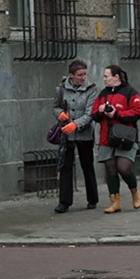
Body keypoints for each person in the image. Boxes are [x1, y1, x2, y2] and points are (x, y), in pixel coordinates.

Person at [91, 65, 140, 214]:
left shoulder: (130, 92)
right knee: (110, 167)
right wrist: (100, 111)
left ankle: (134, 190)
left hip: (125, 137)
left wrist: (116, 114)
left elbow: (137, 112)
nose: (104, 79)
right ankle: (115, 202)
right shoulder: (102, 94)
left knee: (123, 167)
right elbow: (94, 115)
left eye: (106, 76)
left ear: (116, 77)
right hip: (107, 137)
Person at [52, 59, 100, 213]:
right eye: (79, 75)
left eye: (85, 74)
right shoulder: (61, 89)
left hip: (84, 134)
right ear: (71, 75)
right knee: (65, 166)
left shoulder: (91, 90)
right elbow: (55, 106)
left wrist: (76, 124)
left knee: (87, 165)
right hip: (67, 135)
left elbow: (90, 113)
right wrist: (60, 114)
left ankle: (92, 198)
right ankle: (64, 202)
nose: (83, 77)